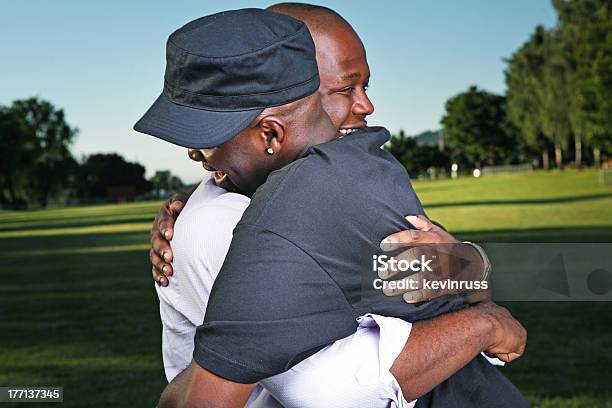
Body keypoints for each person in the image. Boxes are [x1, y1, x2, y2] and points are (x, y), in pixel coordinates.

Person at [134, 7, 527, 408]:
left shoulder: (353, 175)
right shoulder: (221, 222)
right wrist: (481, 322)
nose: (367, 107)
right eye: (344, 89)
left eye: (365, 86)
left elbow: (431, 284)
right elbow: (335, 391)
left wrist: (471, 267)